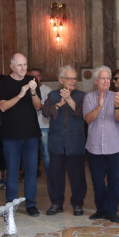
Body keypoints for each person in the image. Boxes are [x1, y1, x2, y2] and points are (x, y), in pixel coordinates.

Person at [0, 53, 42, 216]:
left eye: (25, 64)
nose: (23, 68)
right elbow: (3, 107)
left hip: (31, 134)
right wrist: (21, 95)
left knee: (31, 170)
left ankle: (31, 203)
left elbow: (38, 106)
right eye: (20, 65)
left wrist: (34, 92)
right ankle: (11, 203)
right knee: (12, 169)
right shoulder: (3, 83)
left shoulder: (32, 81)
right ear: (12, 66)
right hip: (11, 135)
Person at [42, 65, 87, 216]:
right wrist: (60, 103)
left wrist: (69, 99)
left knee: (77, 176)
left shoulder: (82, 96)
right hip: (57, 142)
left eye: (75, 78)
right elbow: (46, 112)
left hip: (76, 142)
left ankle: (77, 204)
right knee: (55, 175)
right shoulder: (53, 95)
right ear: (61, 80)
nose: (73, 81)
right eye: (69, 78)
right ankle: (56, 203)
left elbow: (82, 114)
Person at [83, 66, 119, 223]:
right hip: (94, 147)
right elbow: (88, 119)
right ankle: (100, 209)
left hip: (113, 146)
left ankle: (112, 210)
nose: (106, 81)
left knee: (113, 180)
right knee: (97, 180)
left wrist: (117, 106)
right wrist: (99, 105)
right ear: (96, 81)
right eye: (103, 78)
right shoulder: (89, 98)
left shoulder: (116, 96)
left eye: (108, 78)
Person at [30, 68, 51, 174]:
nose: (35, 78)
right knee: (31, 152)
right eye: (32, 76)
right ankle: (31, 174)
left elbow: (50, 107)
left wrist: (37, 105)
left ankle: (50, 175)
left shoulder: (47, 90)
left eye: (37, 76)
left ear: (40, 77)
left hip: (44, 125)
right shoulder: (25, 90)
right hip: (30, 125)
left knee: (46, 152)